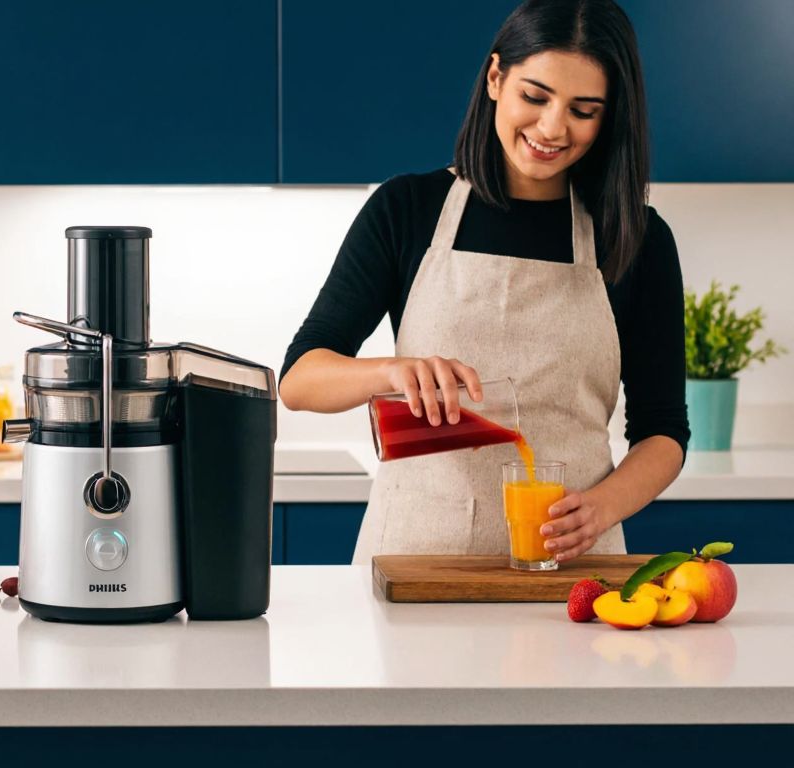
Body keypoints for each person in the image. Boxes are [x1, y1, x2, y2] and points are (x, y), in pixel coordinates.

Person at [280, 0, 689, 564]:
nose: (552, 128)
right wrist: (391, 371)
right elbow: (300, 380)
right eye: (535, 96)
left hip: (572, 576)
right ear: (496, 78)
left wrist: (602, 507)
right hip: (415, 567)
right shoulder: (407, 209)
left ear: (610, 114)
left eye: (583, 110)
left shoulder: (636, 238)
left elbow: (663, 431)